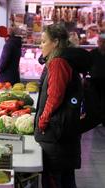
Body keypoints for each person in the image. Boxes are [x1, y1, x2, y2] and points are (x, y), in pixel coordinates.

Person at [34, 24, 83, 188]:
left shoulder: (58, 63)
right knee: (66, 180)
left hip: (56, 136)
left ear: (55, 42)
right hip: (64, 134)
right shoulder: (63, 60)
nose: (40, 45)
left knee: (54, 180)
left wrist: (43, 120)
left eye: (43, 41)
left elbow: (55, 96)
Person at [89, 32, 105, 126]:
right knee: (96, 101)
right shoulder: (93, 53)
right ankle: (97, 119)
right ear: (98, 42)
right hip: (95, 81)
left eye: (104, 42)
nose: (102, 44)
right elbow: (86, 66)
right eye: (101, 42)